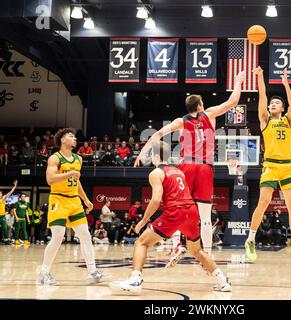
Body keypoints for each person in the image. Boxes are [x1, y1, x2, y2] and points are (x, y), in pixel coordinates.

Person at [134, 71, 245, 259]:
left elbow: (156, 135)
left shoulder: (180, 121)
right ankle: (207, 256)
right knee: (205, 217)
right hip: (204, 167)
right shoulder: (209, 114)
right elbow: (232, 102)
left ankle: (176, 244)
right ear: (201, 105)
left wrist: (142, 153)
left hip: (185, 167)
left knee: (177, 206)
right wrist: (238, 81)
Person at [109, 142, 231, 294]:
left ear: (155, 157)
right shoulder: (178, 171)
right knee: (196, 251)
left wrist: (143, 220)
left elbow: (155, 200)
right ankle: (223, 281)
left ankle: (135, 279)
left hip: (176, 211)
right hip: (191, 211)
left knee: (141, 242)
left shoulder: (155, 173)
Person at [37, 128, 109, 285]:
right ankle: (44, 272)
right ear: (63, 140)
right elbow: (50, 179)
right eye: (71, 136)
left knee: (85, 235)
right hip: (58, 200)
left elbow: (76, 181)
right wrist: (69, 174)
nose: (75, 139)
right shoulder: (55, 158)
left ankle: (93, 272)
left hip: (74, 201)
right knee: (57, 237)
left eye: (75, 137)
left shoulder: (78, 159)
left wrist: (86, 199)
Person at [244, 67, 291, 263]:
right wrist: (260, 77)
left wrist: (286, 83)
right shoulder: (265, 120)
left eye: (276, 103)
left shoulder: (288, 119)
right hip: (270, 165)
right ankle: (250, 239)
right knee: (264, 202)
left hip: (287, 166)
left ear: (282, 108)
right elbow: (262, 96)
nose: (272, 104)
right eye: (271, 103)